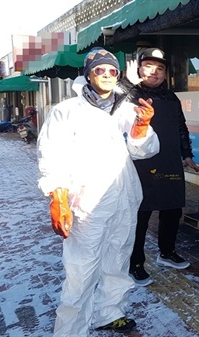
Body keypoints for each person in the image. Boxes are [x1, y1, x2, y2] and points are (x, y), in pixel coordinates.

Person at [36, 47, 160, 336]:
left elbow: (145, 150)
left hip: (123, 198)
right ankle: (70, 330)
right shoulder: (66, 111)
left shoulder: (127, 108)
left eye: (111, 70)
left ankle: (109, 312)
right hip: (86, 203)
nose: (106, 75)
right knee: (81, 270)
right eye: (99, 70)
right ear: (88, 74)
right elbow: (51, 155)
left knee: (117, 260)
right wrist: (58, 196)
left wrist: (142, 126)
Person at [120, 48, 199, 287]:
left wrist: (187, 154)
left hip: (169, 161)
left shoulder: (171, 97)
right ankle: (135, 263)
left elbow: (181, 127)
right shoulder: (127, 95)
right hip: (139, 164)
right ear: (138, 68)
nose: (154, 72)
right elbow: (113, 99)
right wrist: (127, 82)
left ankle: (167, 252)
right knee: (141, 215)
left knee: (172, 210)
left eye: (160, 68)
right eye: (148, 66)